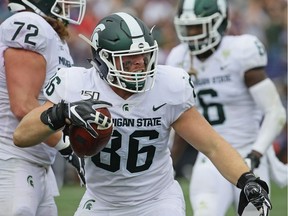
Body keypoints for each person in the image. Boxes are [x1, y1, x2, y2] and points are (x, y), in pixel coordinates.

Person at [13, 12, 272, 216]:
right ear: (103, 60)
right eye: (128, 60)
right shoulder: (76, 84)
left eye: (144, 57)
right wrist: (61, 112)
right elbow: (22, 135)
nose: (139, 67)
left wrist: (247, 179)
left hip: (157, 200)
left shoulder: (168, 85)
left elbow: (213, 145)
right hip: (101, 201)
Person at [165, 0, 287, 215]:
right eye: (188, 27)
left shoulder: (241, 50)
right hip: (209, 156)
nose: (192, 34)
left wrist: (256, 153)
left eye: (199, 26)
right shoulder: (178, 58)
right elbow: (180, 120)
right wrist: (168, 164)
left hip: (249, 152)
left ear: (219, 24)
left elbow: (275, 112)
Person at [0, 0, 86, 215]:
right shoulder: (29, 24)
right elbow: (23, 105)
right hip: (11, 158)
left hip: (34, 160)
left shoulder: (51, 34)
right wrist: (67, 147)